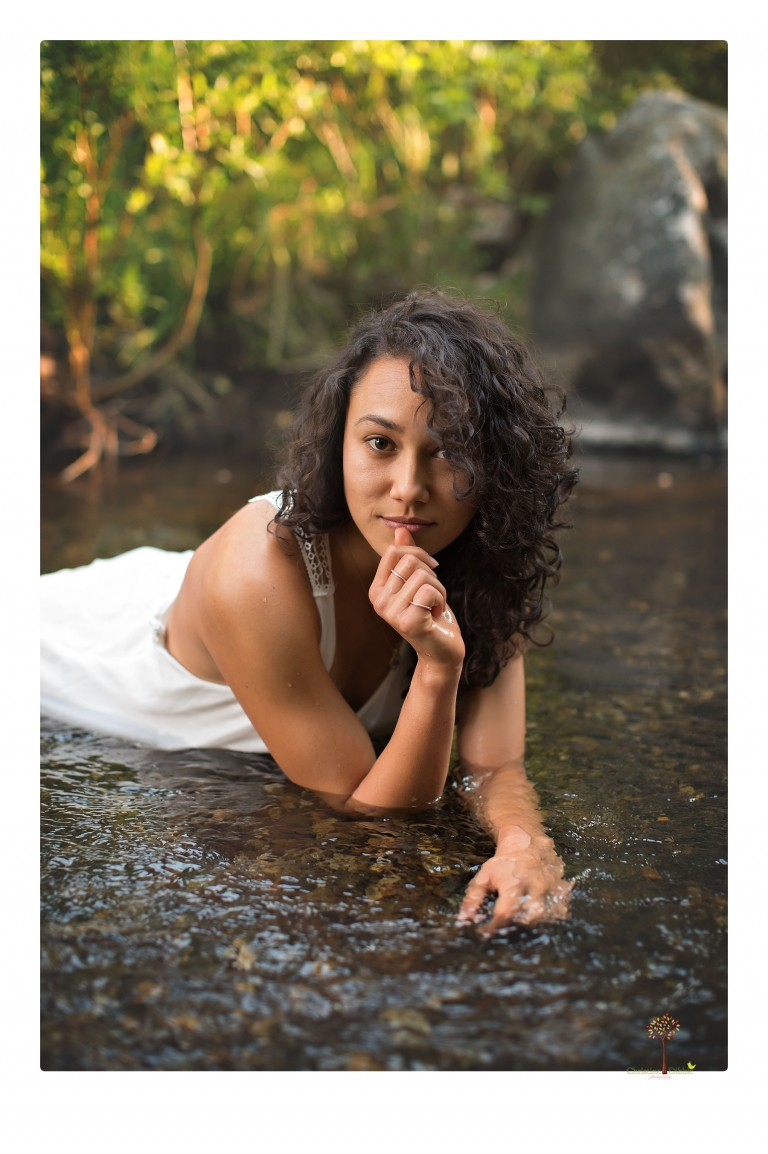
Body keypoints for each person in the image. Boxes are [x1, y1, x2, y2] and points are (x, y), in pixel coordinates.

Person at [41, 290, 577, 937]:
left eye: (450, 451)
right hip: (64, 644)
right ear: (337, 443)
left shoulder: (483, 559)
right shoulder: (256, 573)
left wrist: (524, 847)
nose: (408, 487)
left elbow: (496, 766)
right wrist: (437, 670)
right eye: (381, 443)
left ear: (497, 465)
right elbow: (370, 809)